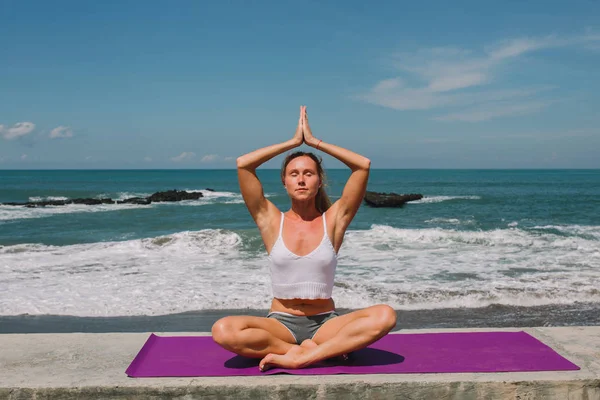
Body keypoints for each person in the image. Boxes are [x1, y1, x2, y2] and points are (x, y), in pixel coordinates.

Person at [211, 106, 397, 371]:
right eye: (294, 174)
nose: (301, 180)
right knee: (224, 330)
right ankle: (308, 351)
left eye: (308, 174)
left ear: (319, 181)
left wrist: (314, 142)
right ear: (284, 182)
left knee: (385, 315)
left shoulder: (333, 220)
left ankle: (304, 357)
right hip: (280, 324)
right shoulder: (270, 220)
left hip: (326, 324)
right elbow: (244, 164)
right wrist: (291, 143)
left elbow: (362, 165)